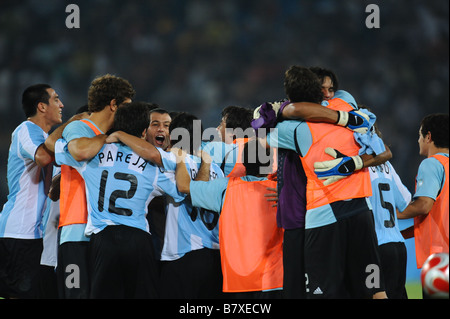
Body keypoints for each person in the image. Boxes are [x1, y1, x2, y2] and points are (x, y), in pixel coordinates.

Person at [265, 65, 387, 298]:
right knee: (374, 290)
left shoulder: (292, 127)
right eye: (325, 89)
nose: (330, 94)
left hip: (323, 213)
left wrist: (280, 109)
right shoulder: (348, 104)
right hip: (361, 208)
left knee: (322, 291)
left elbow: (263, 133)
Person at [54, 101, 185, 298]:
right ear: (143, 132)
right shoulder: (152, 165)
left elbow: (54, 149)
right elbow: (180, 191)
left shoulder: (92, 156)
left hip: (103, 239)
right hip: (138, 238)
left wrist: (71, 126)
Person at [55, 74, 135, 298]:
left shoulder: (115, 137)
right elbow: (80, 151)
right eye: (125, 106)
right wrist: (108, 138)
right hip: (76, 230)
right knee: (76, 295)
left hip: (105, 233)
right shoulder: (80, 127)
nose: (127, 112)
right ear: (113, 104)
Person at [175, 138, 284, 298]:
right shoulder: (281, 191)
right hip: (274, 278)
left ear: (243, 162)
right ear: (270, 161)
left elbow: (184, 186)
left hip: (237, 278)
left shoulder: (226, 187)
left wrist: (181, 157)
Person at [0, 84, 75, 298]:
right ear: (42, 106)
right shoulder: (26, 130)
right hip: (18, 231)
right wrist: (72, 124)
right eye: (56, 100)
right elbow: (42, 158)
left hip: (34, 234)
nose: (61, 105)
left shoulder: (45, 138)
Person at [156, 112, 225, 299]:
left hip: (183, 254)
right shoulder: (215, 169)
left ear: (173, 135)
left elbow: (187, 188)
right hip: (215, 255)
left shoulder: (173, 161)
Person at [397, 113, 449, 297]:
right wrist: (399, 234)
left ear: (429, 137)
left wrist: (389, 213)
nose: (418, 140)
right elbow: (436, 215)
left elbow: (423, 206)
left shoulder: (432, 164)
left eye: (420, 135)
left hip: (441, 260)